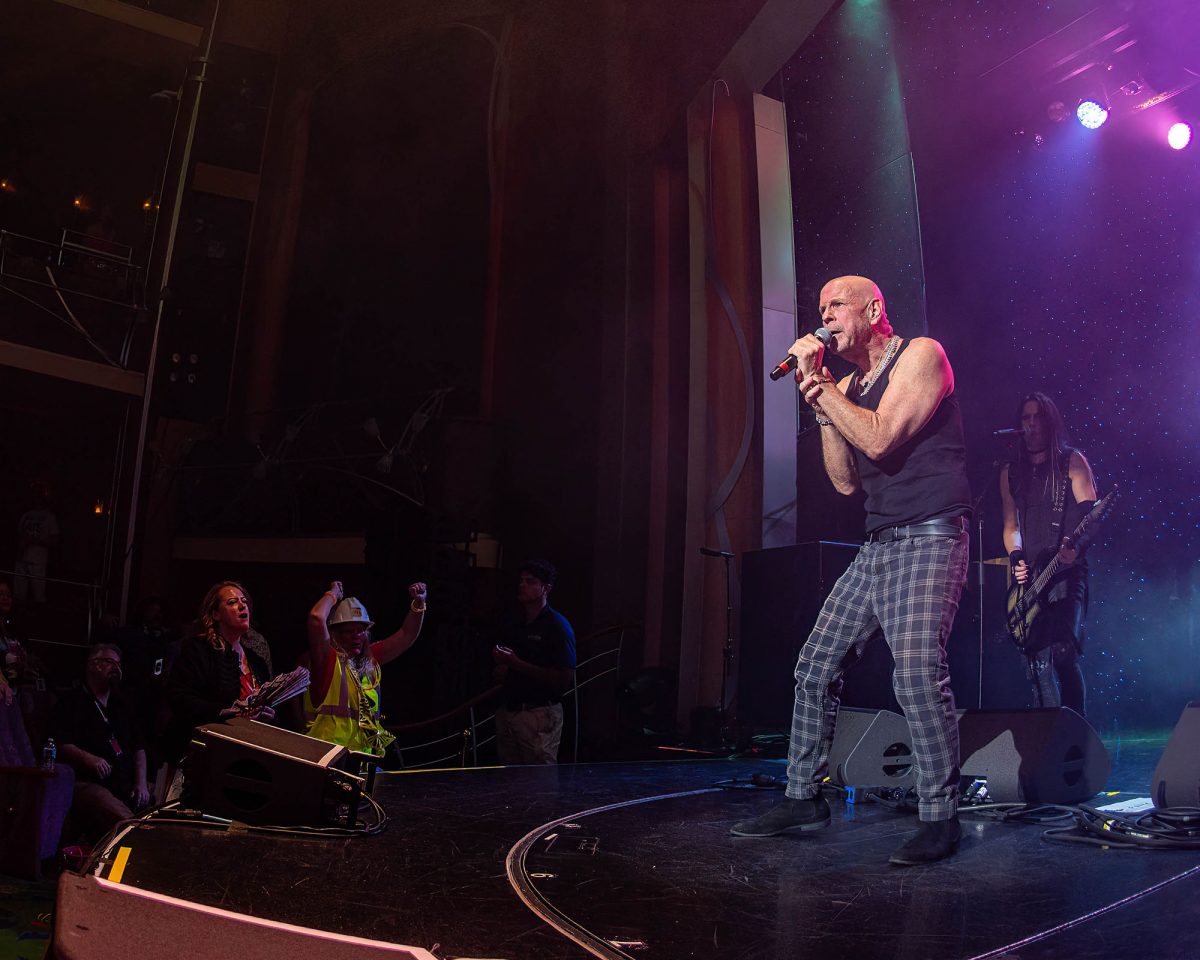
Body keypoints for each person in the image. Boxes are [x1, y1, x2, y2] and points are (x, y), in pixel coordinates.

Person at [731, 275, 972, 865]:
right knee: (814, 667)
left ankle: (940, 815)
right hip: (879, 544)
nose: (825, 317)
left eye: (836, 305)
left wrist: (821, 389)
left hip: (931, 536)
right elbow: (844, 482)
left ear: (873, 309)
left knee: (916, 676)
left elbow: (882, 438)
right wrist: (822, 401)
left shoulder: (921, 355)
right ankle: (802, 796)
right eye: (820, 308)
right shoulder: (845, 386)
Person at [999, 392, 1097, 715]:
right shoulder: (1011, 472)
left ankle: (1076, 732)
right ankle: (1047, 731)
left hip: (1066, 572)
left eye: (1038, 417)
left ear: (1050, 421)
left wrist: (1075, 548)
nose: (1032, 425)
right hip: (1032, 579)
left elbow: (1092, 518)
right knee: (1036, 664)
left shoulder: (1072, 461)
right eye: (1026, 418)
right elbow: (1011, 525)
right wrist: (1015, 557)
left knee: (1062, 652)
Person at [301, 579, 427, 756]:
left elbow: (407, 635)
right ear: (335, 634)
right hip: (324, 760)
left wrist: (418, 604)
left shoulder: (370, 662)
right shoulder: (327, 661)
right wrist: (333, 594)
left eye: (360, 630)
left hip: (360, 761)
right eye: (349, 631)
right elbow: (316, 618)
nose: (356, 636)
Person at [163, 581, 273, 765]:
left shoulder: (256, 661)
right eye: (232, 602)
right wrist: (226, 712)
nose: (242, 605)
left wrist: (268, 714)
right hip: (204, 753)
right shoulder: (198, 650)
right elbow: (180, 697)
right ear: (216, 614)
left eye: (244, 601)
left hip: (246, 754)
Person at [52, 643, 151, 837]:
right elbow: (60, 743)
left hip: (123, 781)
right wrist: (88, 758)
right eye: (109, 662)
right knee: (112, 809)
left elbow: (139, 748)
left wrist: (141, 783)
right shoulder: (72, 701)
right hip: (89, 781)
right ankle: (141, 837)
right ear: (92, 665)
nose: (116, 668)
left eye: (118, 664)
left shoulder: (121, 705)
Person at [492, 559, 576, 765]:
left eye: (530, 581)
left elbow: (564, 679)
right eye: (521, 580)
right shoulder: (516, 622)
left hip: (539, 714)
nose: (523, 585)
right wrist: (502, 668)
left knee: (538, 779)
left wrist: (516, 664)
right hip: (510, 711)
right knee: (510, 778)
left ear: (546, 588)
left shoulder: (556, 625)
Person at [14, 480, 59, 604]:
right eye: (34, 493)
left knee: (38, 596)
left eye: (38, 493)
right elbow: (19, 535)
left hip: (38, 562)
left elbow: (55, 540)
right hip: (21, 560)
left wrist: (35, 541)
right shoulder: (25, 516)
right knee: (18, 595)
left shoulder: (49, 516)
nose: (36, 496)